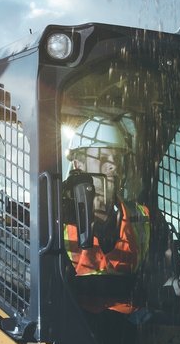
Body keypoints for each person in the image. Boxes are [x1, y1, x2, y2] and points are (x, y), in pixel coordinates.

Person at [62, 116, 150, 312]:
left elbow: (161, 278)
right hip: (73, 324)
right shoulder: (55, 219)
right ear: (78, 165)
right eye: (103, 159)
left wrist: (175, 284)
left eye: (117, 159)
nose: (114, 166)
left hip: (130, 325)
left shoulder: (143, 218)